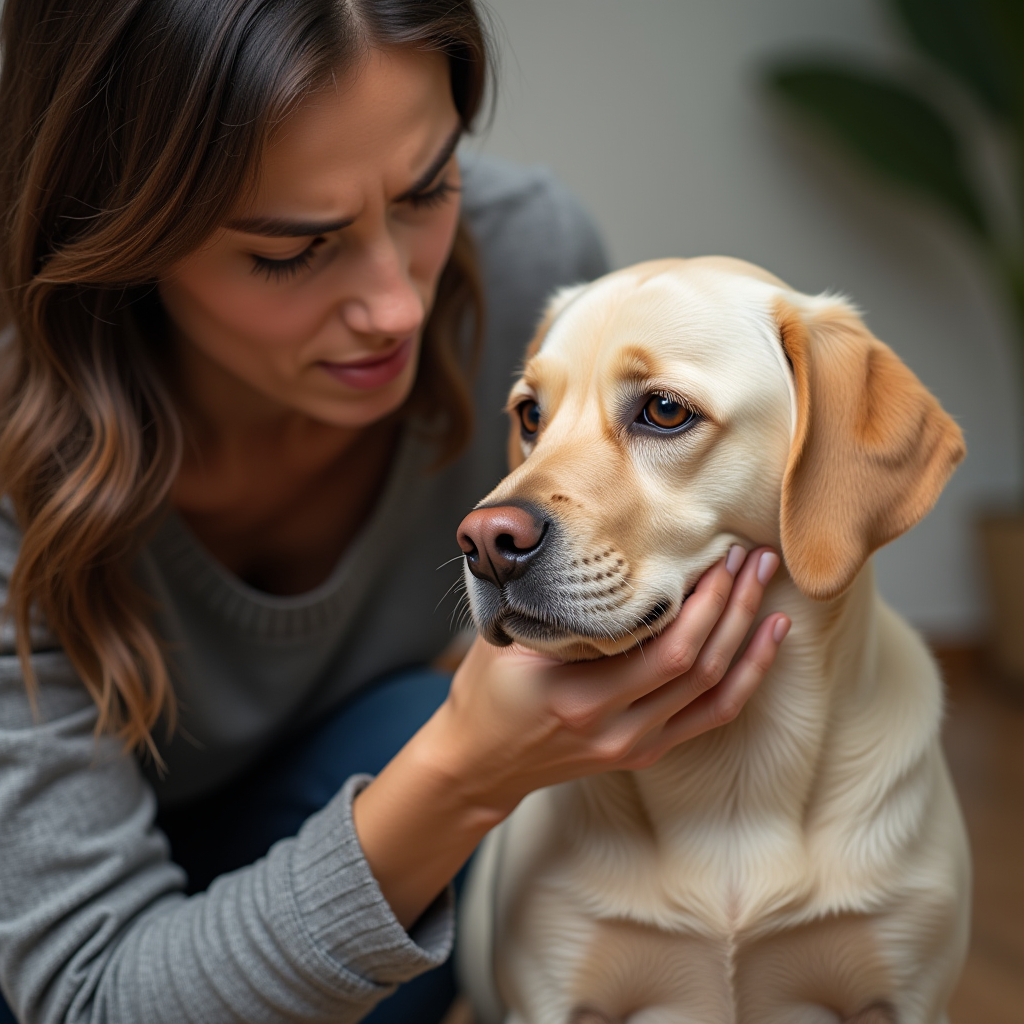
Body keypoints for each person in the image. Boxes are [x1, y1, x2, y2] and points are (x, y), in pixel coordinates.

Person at [0, 2, 791, 1022]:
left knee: (430, 730)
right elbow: (88, 993)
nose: (397, 307)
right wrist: (463, 771)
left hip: (316, 833)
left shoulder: (530, 272)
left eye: (426, 190)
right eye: (292, 249)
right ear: (109, 228)